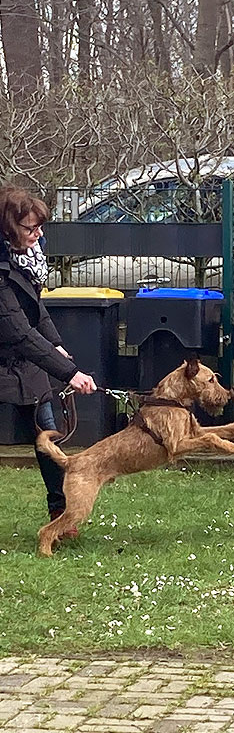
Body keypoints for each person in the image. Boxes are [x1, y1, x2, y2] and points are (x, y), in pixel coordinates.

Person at [0, 185, 96, 530]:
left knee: (47, 436)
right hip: (10, 354)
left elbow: (35, 308)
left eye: (40, 226)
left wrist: (55, 344)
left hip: (24, 363)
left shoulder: (26, 257)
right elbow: (18, 330)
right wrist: (69, 373)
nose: (39, 234)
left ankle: (62, 515)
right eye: (31, 227)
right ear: (9, 227)